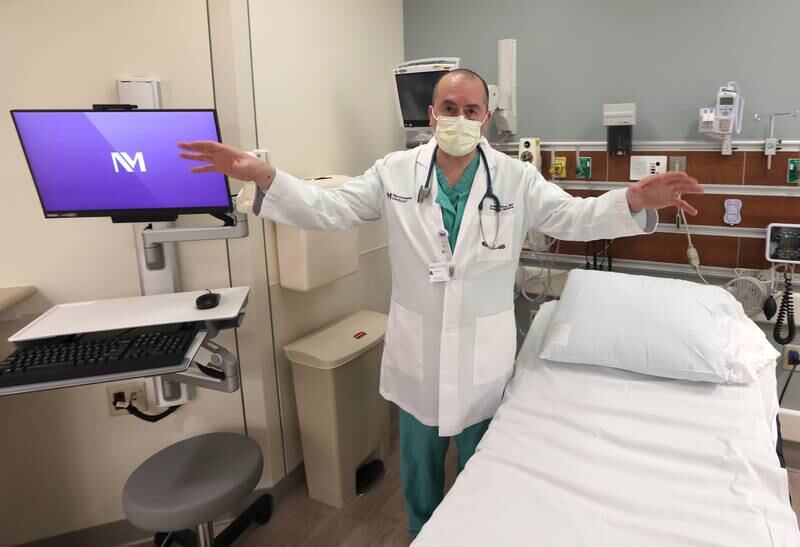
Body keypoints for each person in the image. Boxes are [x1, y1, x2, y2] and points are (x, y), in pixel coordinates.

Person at [179, 68, 703, 535]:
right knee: (420, 476)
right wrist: (266, 177)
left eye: (470, 110)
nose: (459, 118)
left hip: (484, 359)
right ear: (432, 115)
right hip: (419, 356)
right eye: (448, 109)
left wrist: (632, 200)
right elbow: (331, 207)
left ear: (487, 117)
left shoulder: (516, 178)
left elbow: (572, 218)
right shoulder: (394, 171)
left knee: (482, 473)